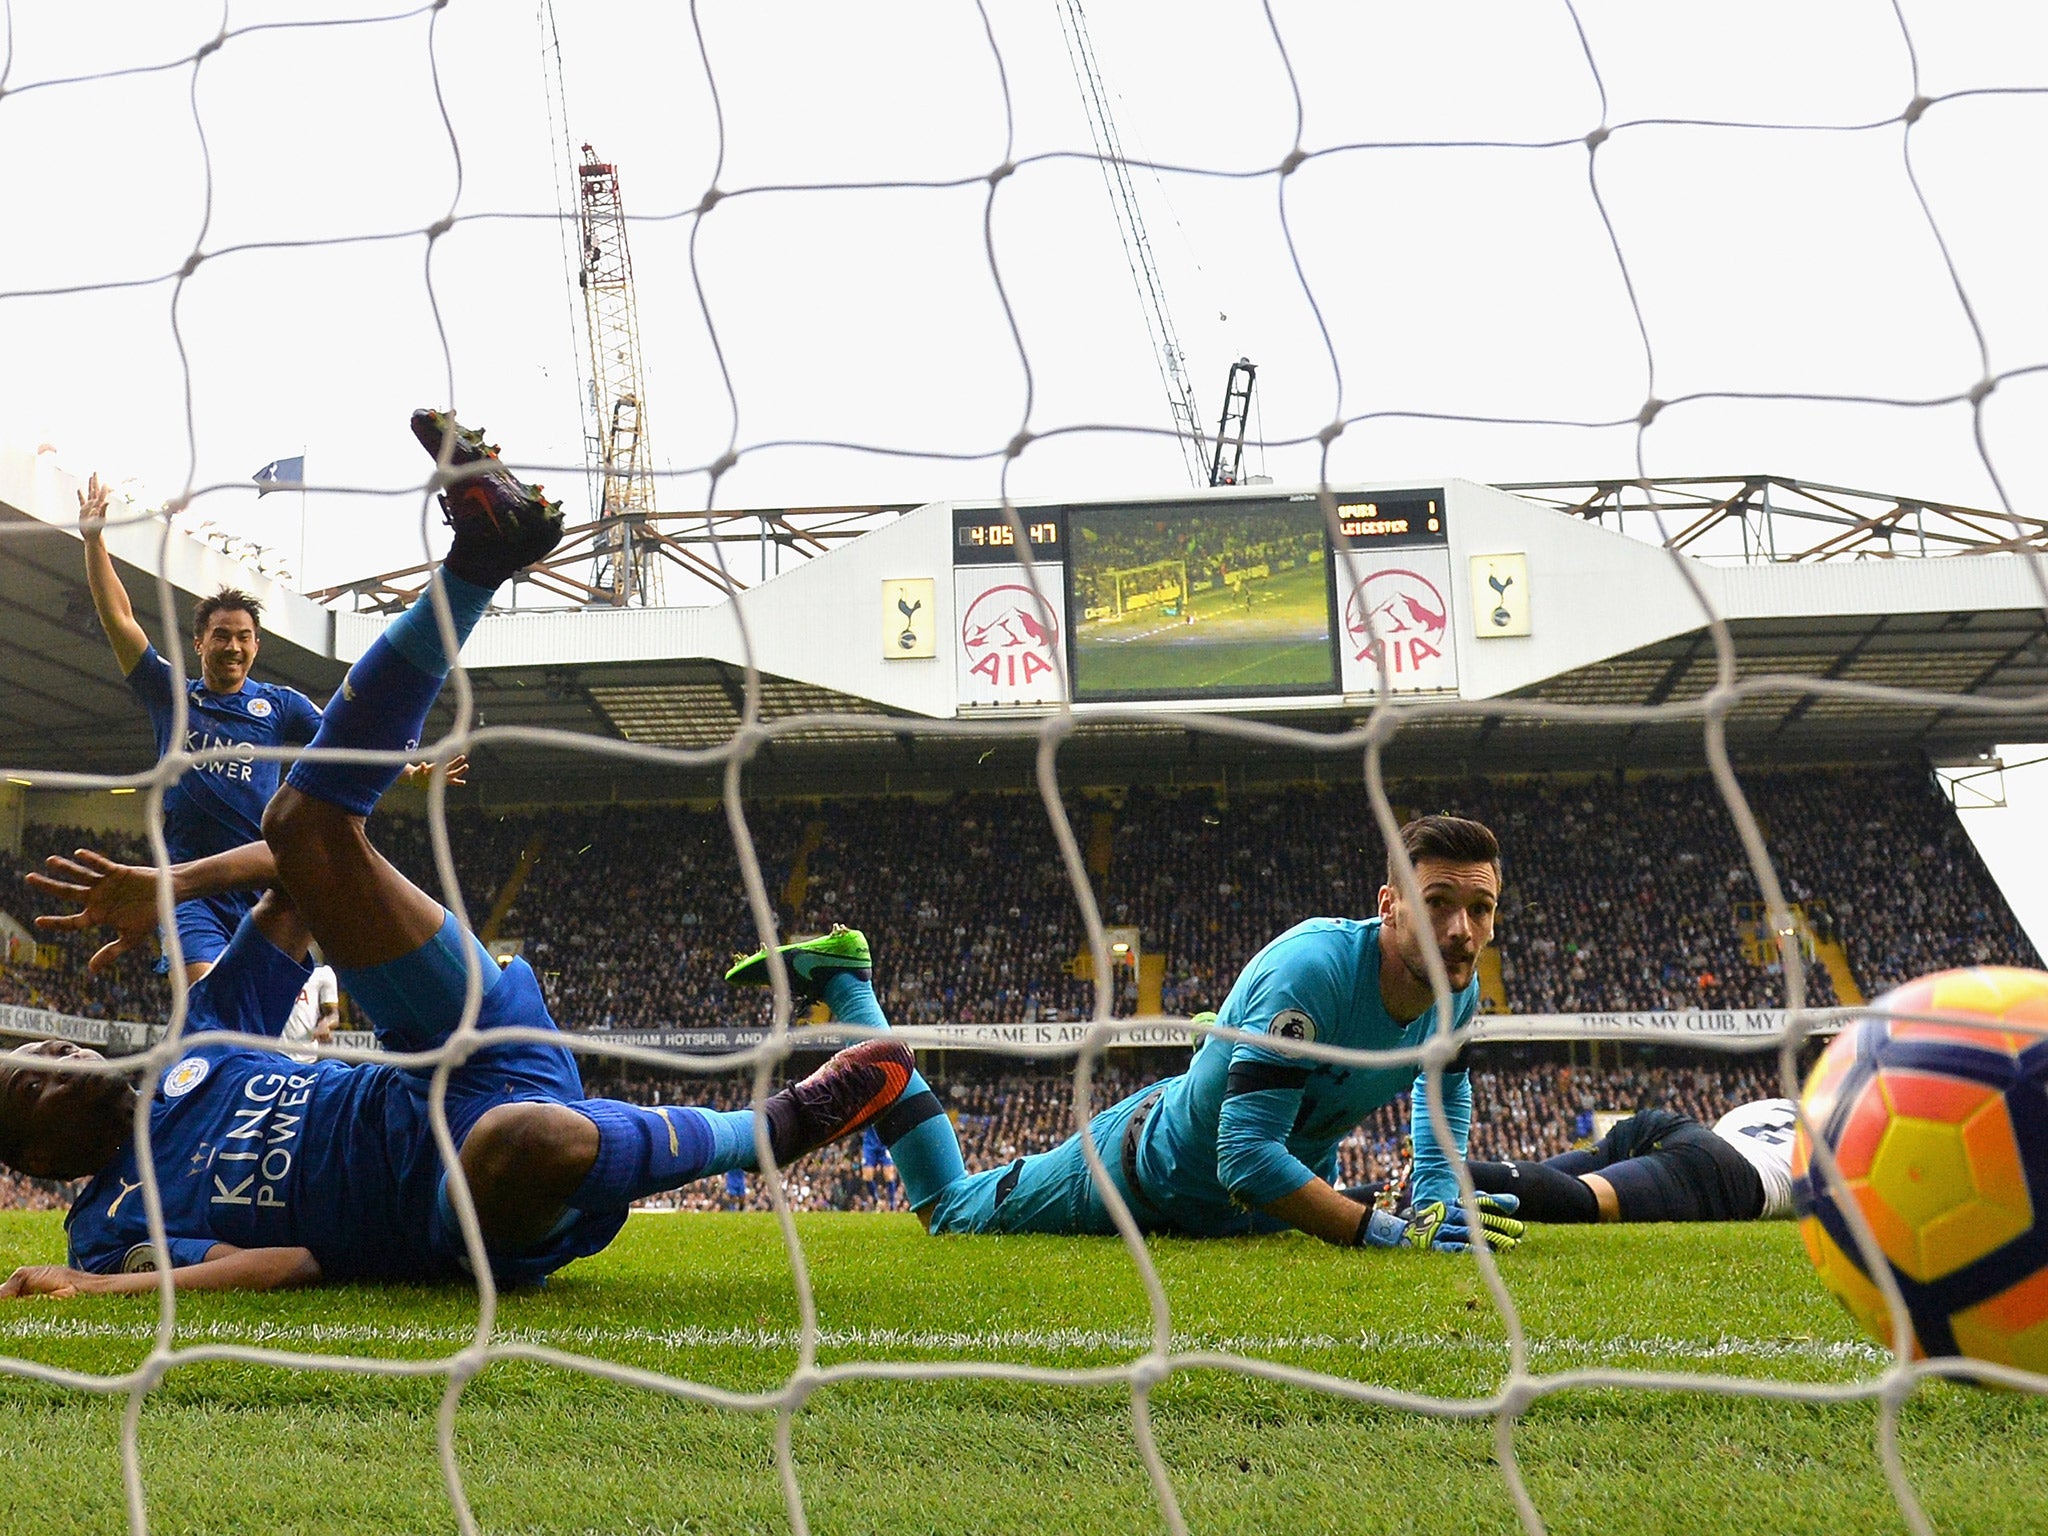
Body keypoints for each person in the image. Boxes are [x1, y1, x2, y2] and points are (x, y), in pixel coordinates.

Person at [0, 411, 913, 1298]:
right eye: (30, 1088)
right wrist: (89, 1288)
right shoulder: (107, 1225)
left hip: (451, 1047)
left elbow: (302, 870)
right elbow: (287, 1264)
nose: (58, 1060)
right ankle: (775, 1127)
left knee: (304, 827)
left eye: (41, 1048)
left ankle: (479, 559)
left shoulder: (195, 1040)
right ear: (34, 1160)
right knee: (530, 1140)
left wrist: (175, 884)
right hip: (447, 1202)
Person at [725, 815, 1525, 1254]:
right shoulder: (1314, 971)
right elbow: (1245, 1160)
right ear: (1389, 905)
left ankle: (1221, 1047)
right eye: (1437, 902)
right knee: (950, 1210)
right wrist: (1379, 1231)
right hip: (1139, 1173)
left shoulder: (1455, 990)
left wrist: (1434, 1200)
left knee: (1247, 1078)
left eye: (1479, 908)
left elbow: (1442, 1094)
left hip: (1250, 1214)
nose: (1460, 929)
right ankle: (849, 984)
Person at [74, 473, 459, 984]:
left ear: (256, 646)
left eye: (243, 637)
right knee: (207, 997)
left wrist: (409, 773)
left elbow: (343, 752)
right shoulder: (172, 695)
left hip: (267, 883)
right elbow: (120, 619)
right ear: (199, 643)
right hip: (189, 890)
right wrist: (95, 541)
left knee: (257, 1020)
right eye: (221, 637)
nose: (232, 646)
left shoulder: (281, 707)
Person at [1454, 1098, 1796, 1223]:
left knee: (1547, 1183)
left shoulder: (1778, 1107)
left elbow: (1727, 1126)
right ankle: (1445, 1182)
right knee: (1583, 1201)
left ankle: (1439, 1180)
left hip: (1671, 1127)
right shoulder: (1837, 1143)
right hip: (1726, 1172)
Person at [280, 956, 339, 1063]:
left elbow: (333, 1015)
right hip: (273, 1055)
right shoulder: (271, 970)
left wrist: (325, 1024)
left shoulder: (322, 973)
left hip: (306, 1057)